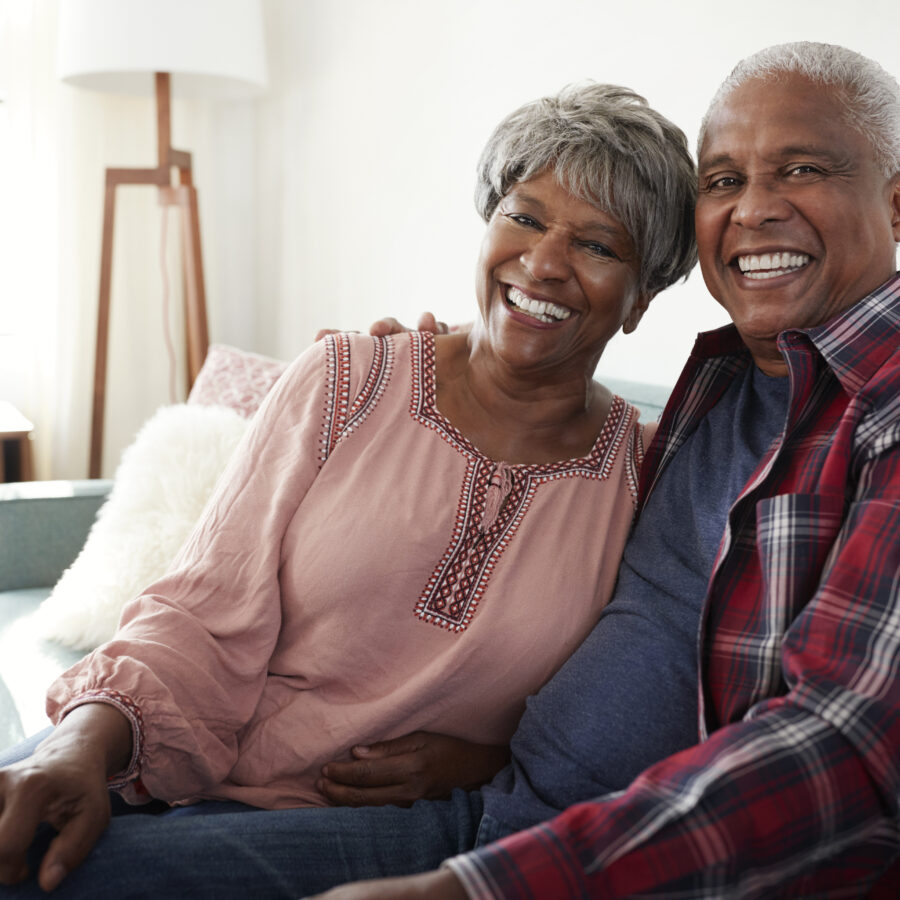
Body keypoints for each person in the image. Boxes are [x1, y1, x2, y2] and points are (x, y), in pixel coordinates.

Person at [0, 84, 699, 895]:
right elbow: (202, 614)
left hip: (390, 826)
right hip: (186, 747)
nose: (542, 262)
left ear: (643, 297)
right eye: (525, 216)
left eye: (598, 247)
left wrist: (490, 759)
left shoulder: (648, 481)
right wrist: (80, 744)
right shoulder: (349, 380)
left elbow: (630, 721)